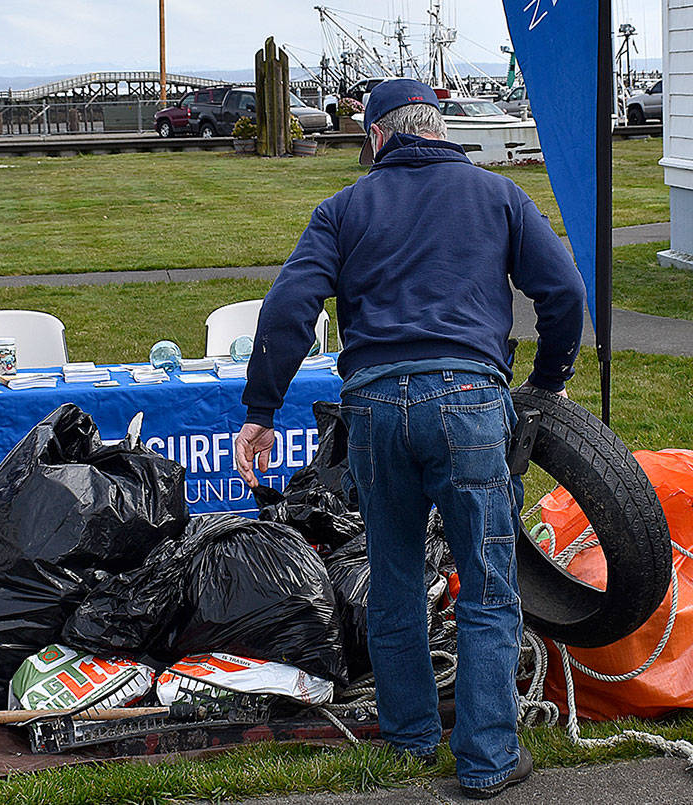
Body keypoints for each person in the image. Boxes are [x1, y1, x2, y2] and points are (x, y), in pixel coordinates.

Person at [235, 79, 585, 799]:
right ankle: (488, 757)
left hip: (372, 409)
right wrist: (548, 381)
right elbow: (565, 293)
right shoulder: (499, 196)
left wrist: (261, 410)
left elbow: (289, 304)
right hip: (468, 401)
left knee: (393, 578)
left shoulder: (343, 209)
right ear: (439, 127)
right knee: (488, 583)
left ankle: (409, 738)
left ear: (378, 137)